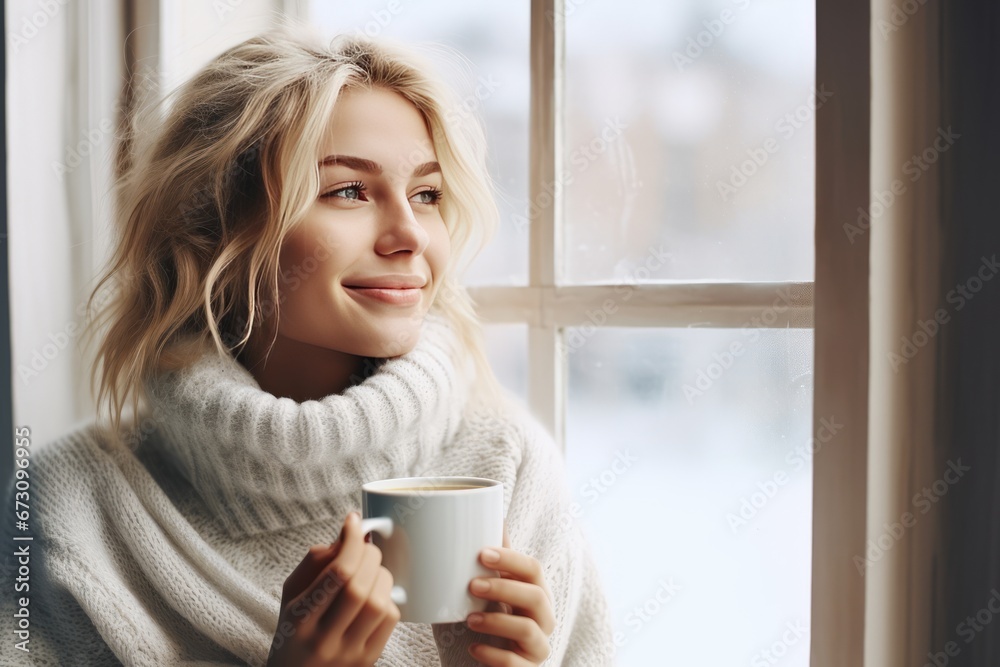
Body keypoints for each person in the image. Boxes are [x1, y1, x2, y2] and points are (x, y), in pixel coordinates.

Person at [0, 26, 615, 666]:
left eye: (427, 194)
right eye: (348, 190)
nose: (410, 235)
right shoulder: (63, 506)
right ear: (215, 227)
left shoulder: (509, 470)